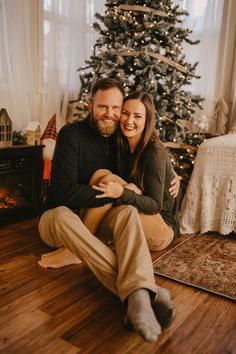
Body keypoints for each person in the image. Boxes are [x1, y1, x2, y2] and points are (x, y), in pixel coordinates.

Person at [38, 78, 179, 343]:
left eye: (117, 108)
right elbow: (62, 193)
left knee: (124, 210)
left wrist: (173, 176)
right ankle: (149, 290)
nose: (111, 115)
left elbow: (152, 158)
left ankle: (136, 293)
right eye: (104, 107)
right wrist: (112, 190)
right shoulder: (71, 134)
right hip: (62, 218)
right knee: (99, 184)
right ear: (90, 106)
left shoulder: (120, 136)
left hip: (102, 220)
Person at [81, 91, 179, 250]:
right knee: (100, 175)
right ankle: (86, 241)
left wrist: (123, 192)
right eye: (125, 113)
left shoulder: (154, 153)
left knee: (108, 181)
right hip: (135, 210)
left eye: (138, 116)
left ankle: (81, 246)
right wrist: (127, 191)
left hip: (160, 228)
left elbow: (154, 206)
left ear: (147, 120)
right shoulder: (121, 143)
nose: (129, 121)